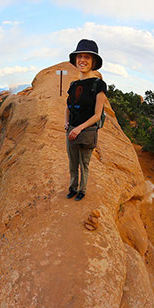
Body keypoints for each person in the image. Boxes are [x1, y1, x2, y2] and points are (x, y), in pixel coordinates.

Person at [65, 39, 107, 201]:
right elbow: (68, 105)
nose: (82, 60)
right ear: (75, 60)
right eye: (79, 56)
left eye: (87, 57)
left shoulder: (99, 85)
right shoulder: (74, 84)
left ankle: (82, 190)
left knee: (84, 163)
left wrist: (79, 128)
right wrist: (66, 122)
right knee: (72, 163)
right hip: (72, 128)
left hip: (87, 131)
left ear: (93, 61)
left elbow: (97, 115)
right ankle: (72, 188)